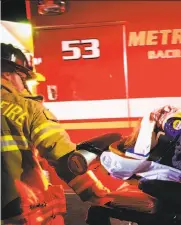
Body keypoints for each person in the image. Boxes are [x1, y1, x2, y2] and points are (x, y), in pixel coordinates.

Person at [1, 43, 112, 225]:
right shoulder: (26, 108)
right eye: (23, 78)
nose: (24, 86)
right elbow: (65, 159)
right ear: (7, 73)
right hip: (17, 215)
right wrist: (100, 197)